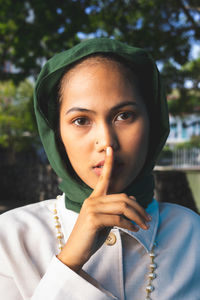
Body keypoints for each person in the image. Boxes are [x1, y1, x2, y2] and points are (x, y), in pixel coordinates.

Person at [0, 38, 199, 300]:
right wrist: (70, 260)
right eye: (81, 120)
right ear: (57, 135)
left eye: (124, 116)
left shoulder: (192, 235)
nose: (106, 142)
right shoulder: (10, 239)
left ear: (153, 122)